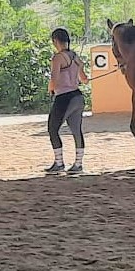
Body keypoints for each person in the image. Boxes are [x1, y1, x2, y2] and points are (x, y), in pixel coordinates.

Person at [45, 28, 89, 175]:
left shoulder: (57, 58)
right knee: (77, 130)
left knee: (53, 129)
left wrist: (50, 88)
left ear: (55, 41)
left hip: (64, 97)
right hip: (78, 96)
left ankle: (59, 163)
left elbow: (54, 80)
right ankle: (78, 164)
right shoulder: (75, 57)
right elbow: (85, 79)